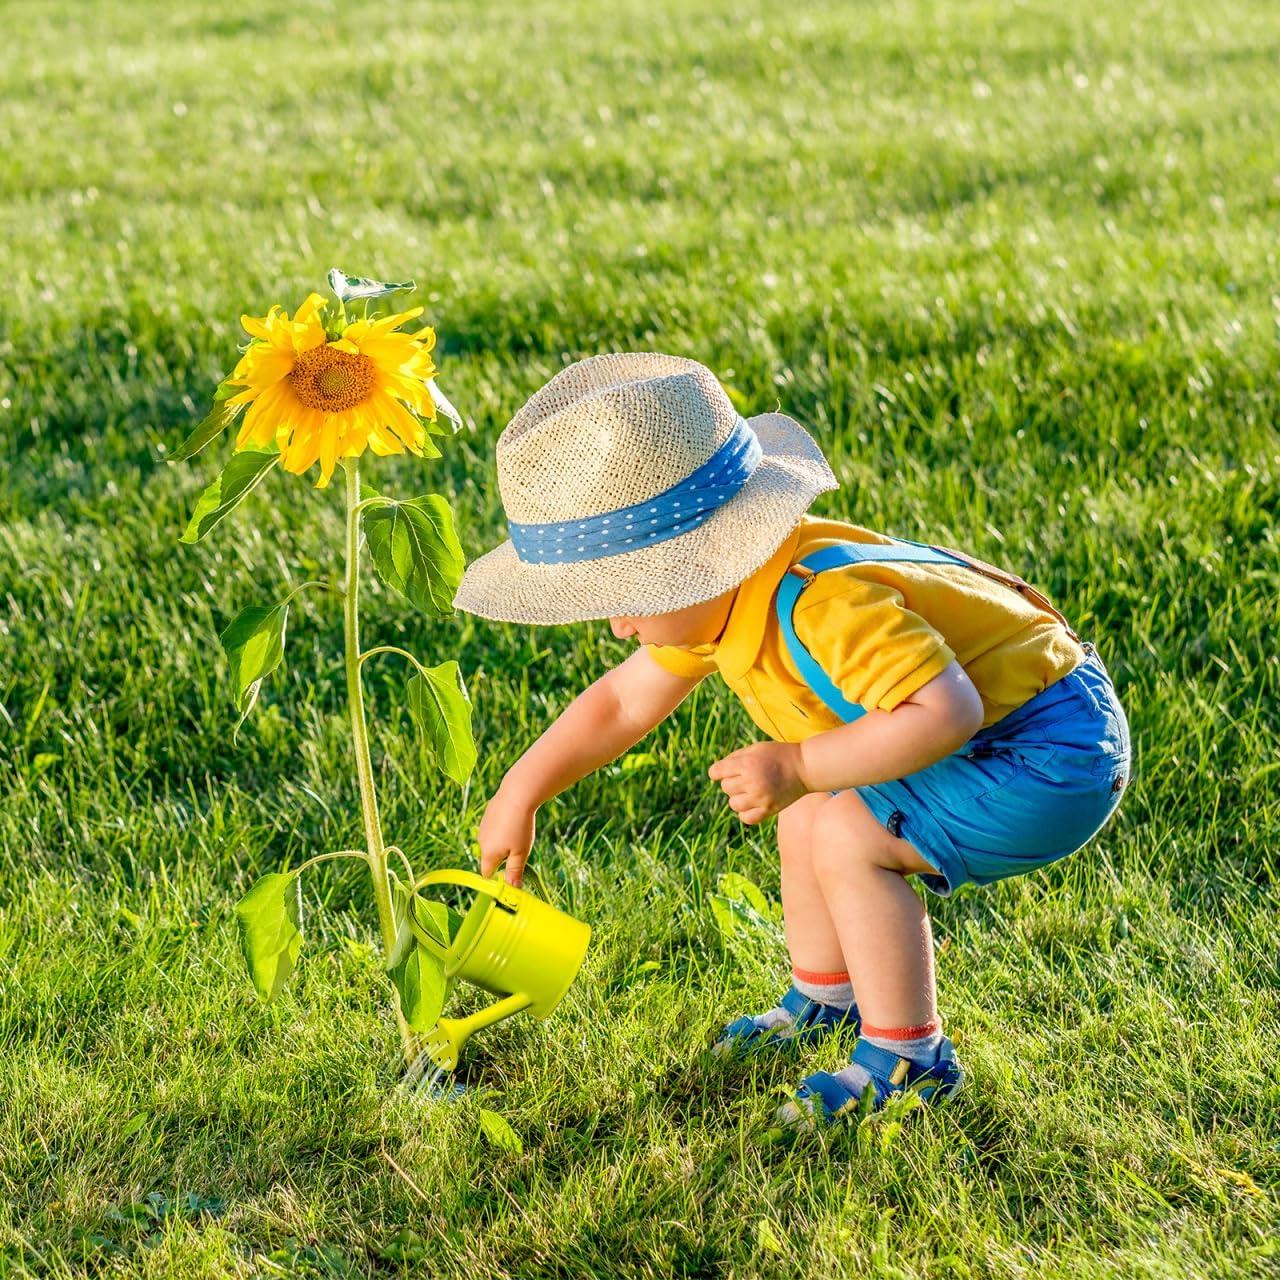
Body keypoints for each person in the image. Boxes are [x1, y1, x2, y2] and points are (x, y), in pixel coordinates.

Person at [451, 352, 1130, 1126]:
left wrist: (803, 761)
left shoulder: (822, 607)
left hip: (1045, 752)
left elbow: (949, 713)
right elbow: (620, 704)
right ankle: (826, 1001)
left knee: (843, 828)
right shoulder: (722, 590)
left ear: (699, 560)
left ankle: (909, 1060)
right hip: (993, 729)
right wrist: (522, 788)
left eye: (628, 596)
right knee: (810, 815)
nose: (619, 625)